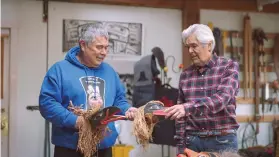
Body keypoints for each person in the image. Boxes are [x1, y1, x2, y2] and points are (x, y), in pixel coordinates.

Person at [39, 23, 137, 157]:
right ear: (83, 45)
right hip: (70, 149)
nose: (104, 52)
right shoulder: (59, 70)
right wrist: (76, 121)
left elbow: (119, 100)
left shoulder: (110, 72)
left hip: (104, 148)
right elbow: (47, 104)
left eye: (106, 48)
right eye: (99, 47)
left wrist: (127, 109)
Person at [164, 24, 240, 155]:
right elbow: (180, 118)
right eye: (188, 47)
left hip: (222, 141)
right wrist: (181, 149)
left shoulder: (228, 67)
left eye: (194, 46)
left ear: (209, 45)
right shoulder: (185, 75)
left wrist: (187, 108)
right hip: (193, 141)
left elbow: (222, 99)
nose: (190, 51)